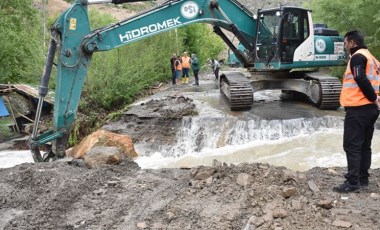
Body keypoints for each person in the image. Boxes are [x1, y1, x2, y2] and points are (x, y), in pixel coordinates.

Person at [334, 30, 380, 193]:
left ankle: (353, 183)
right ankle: (363, 179)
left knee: (352, 145)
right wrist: (376, 101)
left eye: (346, 43)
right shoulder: (373, 59)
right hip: (371, 110)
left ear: (352, 42)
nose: (345, 46)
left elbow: (360, 78)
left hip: (359, 108)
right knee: (364, 146)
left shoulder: (357, 57)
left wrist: (373, 98)